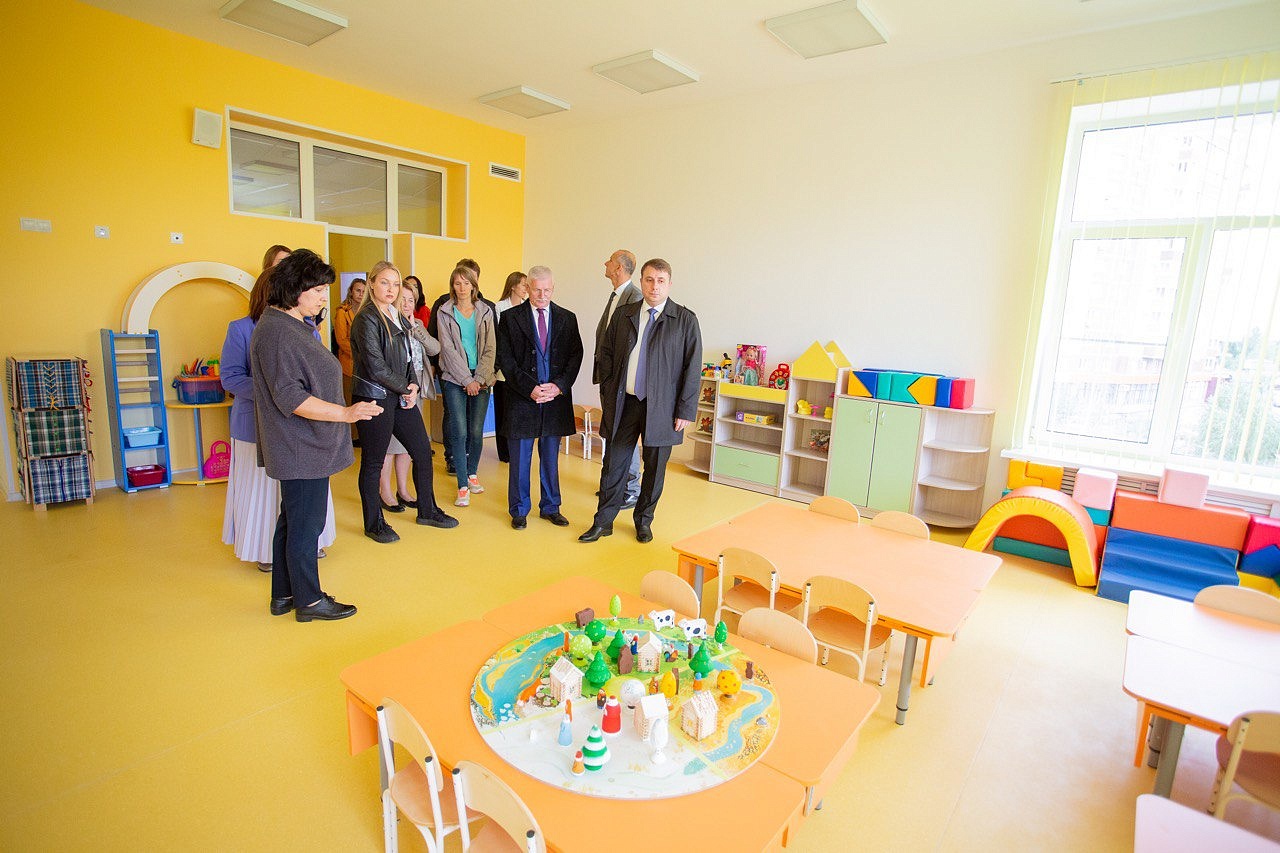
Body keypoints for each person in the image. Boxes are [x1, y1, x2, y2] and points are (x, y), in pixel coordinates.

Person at [248, 248, 380, 621]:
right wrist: (346, 413)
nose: (324, 297)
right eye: (318, 290)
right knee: (306, 526)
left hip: (301, 445)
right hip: (299, 446)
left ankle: (284, 595)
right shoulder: (278, 332)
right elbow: (291, 397)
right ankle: (308, 601)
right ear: (295, 288)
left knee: (292, 521)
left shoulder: (289, 325)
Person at [221, 268, 338, 572]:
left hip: (301, 427)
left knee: (300, 505)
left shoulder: (306, 328)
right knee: (262, 496)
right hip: (255, 425)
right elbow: (231, 378)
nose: (321, 297)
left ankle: (307, 548)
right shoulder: (243, 329)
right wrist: (272, 392)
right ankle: (265, 552)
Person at [579, 258, 702, 544]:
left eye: (660, 281)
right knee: (614, 463)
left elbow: (692, 367)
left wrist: (685, 409)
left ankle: (643, 521)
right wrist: (609, 390)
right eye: (649, 280)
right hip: (626, 403)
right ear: (641, 281)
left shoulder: (685, 320)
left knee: (654, 469)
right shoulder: (625, 314)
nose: (654, 286)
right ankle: (603, 522)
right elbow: (606, 354)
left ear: (669, 284)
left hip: (664, 409)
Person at [350, 261, 458, 542]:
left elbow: (410, 356)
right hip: (375, 397)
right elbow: (376, 367)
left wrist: (411, 386)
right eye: (385, 282)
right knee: (373, 462)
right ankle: (374, 524)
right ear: (372, 283)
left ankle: (427, 511)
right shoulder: (366, 319)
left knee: (421, 451)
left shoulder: (397, 315)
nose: (391, 289)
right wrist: (405, 387)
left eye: (396, 284)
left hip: (399, 394)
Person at [495, 266, 582, 529]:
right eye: (536, 290)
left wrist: (559, 386)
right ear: (527, 288)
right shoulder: (510, 318)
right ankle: (519, 509)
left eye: (547, 290)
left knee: (550, 459)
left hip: (555, 400)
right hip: (522, 399)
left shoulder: (568, 318)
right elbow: (505, 359)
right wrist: (529, 388)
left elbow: (575, 355)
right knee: (520, 460)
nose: (542, 295)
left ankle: (551, 506)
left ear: (553, 288)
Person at [435, 264, 496, 507]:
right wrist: (467, 380)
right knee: (459, 432)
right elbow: (448, 350)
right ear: (453, 285)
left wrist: (478, 378)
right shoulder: (444, 312)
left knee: (475, 432)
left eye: (466, 283)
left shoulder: (485, 311)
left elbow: (490, 348)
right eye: (457, 283)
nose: (461, 288)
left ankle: (472, 473)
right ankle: (462, 485)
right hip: (454, 378)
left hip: (481, 378)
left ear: (474, 285)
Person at [378, 278, 438, 510]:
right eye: (402, 299)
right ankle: (385, 491)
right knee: (389, 445)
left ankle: (403, 489)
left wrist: (416, 329)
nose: (406, 304)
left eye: (411, 300)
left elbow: (435, 348)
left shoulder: (418, 324)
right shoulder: (386, 323)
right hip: (394, 389)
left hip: (416, 389)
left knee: (408, 445)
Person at [597, 250, 643, 508]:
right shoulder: (616, 295)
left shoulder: (634, 297)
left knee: (625, 435)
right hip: (609, 379)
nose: (605, 263)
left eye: (610, 261)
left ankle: (631, 489)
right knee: (611, 432)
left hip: (621, 382)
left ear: (619, 268)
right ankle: (612, 485)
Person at [492, 271, 529, 463]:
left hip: (521, 371)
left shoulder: (527, 307)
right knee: (502, 411)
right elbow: (498, 340)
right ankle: (504, 452)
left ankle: (516, 451)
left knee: (517, 412)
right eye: (523, 284)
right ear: (513, 285)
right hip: (502, 371)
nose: (526, 288)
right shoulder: (499, 308)